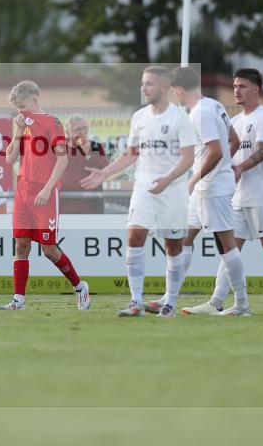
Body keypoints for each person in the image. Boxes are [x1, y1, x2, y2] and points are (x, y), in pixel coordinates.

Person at [81, 66, 196, 318]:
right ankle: (135, 302)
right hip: (143, 189)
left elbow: (189, 158)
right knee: (134, 238)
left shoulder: (180, 118)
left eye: (149, 84)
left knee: (173, 246)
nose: (143, 88)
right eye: (142, 83)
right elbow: (131, 154)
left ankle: (170, 304)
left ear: (165, 88)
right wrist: (104, 173)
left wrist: (167, 180)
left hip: (172, 192)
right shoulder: (139, 117)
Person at [193, 69, 263, 317]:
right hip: (236, 196)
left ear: (256, 88)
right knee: (230, 249)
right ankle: (217, 302)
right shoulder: (234, 121)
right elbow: (227, 149)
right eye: (235, 86)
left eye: (243, 86)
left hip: (262, 195)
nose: (237, 90)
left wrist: (238, 168)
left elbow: (261, 153)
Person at [0, 80, 90, 311]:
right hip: (22, 192)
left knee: (49, 249)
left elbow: (62, 159)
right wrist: (18, 130)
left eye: (23, 106)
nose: (21, 111)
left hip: (44, 192)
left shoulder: (52, 122)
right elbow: (9, 159)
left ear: (35, 99)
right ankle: (18, 300)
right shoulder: (21, 123)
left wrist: (48, 188)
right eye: (17, 108)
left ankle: (80, 287)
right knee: (21, 245)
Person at [173, 66, 252, 317]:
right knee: (185, 237)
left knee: (227, 244)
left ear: (179, 89)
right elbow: (235, 141)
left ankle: (241, 304)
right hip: (210, 185)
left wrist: (195, 178)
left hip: (211, 187)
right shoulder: (215, 105)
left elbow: (217, 150)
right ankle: (169, 297)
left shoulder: (200, 112)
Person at [60, 114, 110, 214]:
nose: (82, 132)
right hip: (63, 200)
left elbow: (105, 168)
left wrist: (88, 151)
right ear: (68, 132)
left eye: (85, 128)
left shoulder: (95, 146)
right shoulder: (60, 147)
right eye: (78, 129)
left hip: (89, 201)